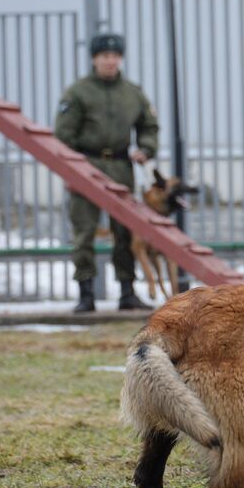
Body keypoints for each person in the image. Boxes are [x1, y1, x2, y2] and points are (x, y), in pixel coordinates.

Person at [54, 33, 159, 313]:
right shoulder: (78, 92)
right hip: (86, 165)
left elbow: (149, 125)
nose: (110, 61)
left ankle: (127, 291)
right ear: (94, 59)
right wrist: (71, 169)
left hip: (121, 167)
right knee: (84, 231)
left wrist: (146, 149)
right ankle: (85, 293)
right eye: (104, 56)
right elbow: (63, 135)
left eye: (115, 56)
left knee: (125, 232)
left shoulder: (132, 92)